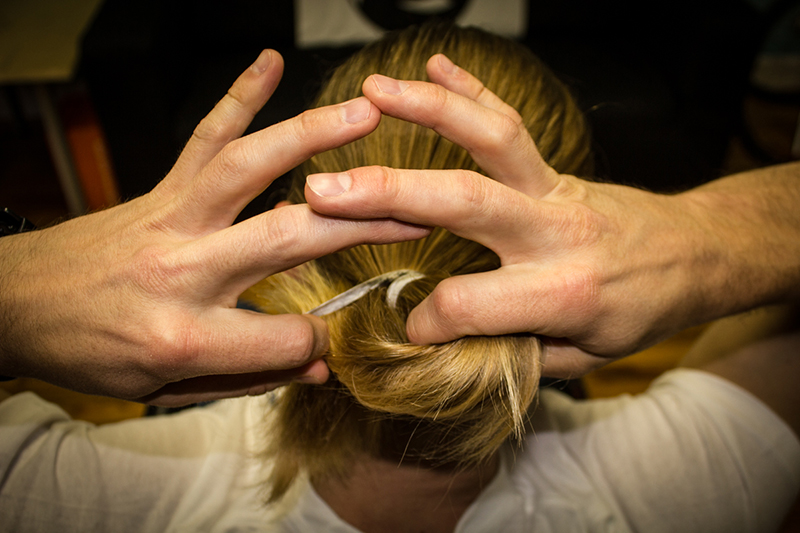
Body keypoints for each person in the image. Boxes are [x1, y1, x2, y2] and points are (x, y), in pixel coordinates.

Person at [2, 23, 798, 533]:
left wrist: (20, 288)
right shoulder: (688, 487)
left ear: (295, 234)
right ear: (572, 259)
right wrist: (701, 238)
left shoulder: (90, 498)